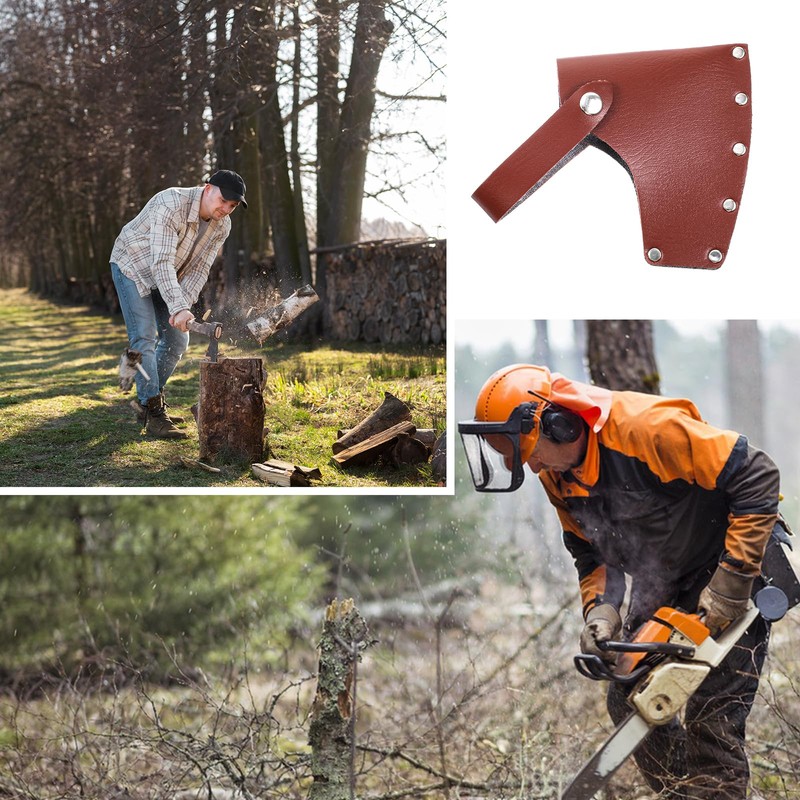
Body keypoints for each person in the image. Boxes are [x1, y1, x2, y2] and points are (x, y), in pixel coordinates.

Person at [458, 363, 795, 799]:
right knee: (630, 695)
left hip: (735, 561)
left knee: (711, 717)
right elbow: (590, 551)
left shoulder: (645, 429)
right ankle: (683, 792)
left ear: (561, 424)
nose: (534, 466)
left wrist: (731, 581)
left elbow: (757, 473)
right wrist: (601, 612)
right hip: (666, 575)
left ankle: (713, 788)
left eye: (531, 452)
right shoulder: (557, 477)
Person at [110, 170, 247, 438]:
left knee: (177, 340)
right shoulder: (171, 203)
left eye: (232, 206)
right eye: (223, 200)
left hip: (167, 275)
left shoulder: (223, 226)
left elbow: (199, 270)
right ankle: (153, 411)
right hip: (132, 266)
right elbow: (160, 261)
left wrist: (182, 306)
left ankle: (146, 399)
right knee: (144, 337)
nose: (226, 209)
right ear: (208, 188)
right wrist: (177, 307)